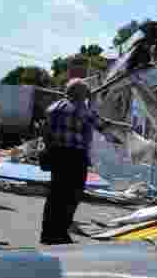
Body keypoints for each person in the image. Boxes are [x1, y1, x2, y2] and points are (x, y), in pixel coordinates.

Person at [40, 78, 131, 245]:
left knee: (55, 195)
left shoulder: (53, 108)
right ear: (82, 94)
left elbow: (45, 133)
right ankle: (60, 234)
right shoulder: (82, 109)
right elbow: (102, 126)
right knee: (71, 196)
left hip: (56, 155)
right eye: (86, 93)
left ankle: (48, 233)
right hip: (74, 157)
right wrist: (119, 140)